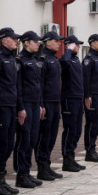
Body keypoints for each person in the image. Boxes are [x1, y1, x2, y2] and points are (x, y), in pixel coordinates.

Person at [0, 29, 32, 188]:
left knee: (8, 145)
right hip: (1, 107)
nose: (16, 41)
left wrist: (20, 107)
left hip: (12, 106)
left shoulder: (14, 60)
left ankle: (1, 178)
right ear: (4, 40)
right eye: (14, 39)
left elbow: (17, 86)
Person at [14, 31, 47, 186]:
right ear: (26, 42)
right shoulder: (19, 60)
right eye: (35, 41)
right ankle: (21, 175)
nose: (38, 44)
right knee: (24, 139)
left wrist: (40, 104)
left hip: (35, 104)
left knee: (33, 139)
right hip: (25, 104)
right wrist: (20, 107)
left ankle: (27, 172)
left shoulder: (34, 61)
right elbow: (18, 86)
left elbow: (38, 85)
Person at [36, 30, 65, 181]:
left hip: (55, 102)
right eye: (56, 41)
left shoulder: (54, 59)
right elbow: (39, 84)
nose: (59, 43)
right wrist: (41, 104)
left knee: (52, 135)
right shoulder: (43, 60)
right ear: (47, 42)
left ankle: (47, 164)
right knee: (45, 136)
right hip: (46, 103)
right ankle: (41, 167)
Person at [60, 35, 87, 172]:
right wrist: (69, 49)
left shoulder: (76, 60)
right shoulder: (66, 59)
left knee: (77, 130)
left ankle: (71, 157)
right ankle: (66, 160)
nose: (78, 46)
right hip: (69, 98)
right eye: (76, 44)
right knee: (70, 129)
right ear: (69, 45)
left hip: (78, 98)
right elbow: (64, 60)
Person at [83, 34, 98, 162]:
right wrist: (87, 96)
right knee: (91, 123)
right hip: (92, 96)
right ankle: (89, 150)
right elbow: (85, 79)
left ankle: (93, 148)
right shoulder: (89, 59)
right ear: (92, 43)